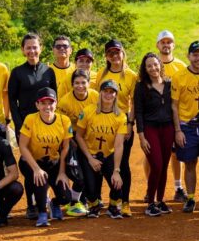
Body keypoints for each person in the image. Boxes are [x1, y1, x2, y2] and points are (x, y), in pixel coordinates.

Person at [9, 33, 57, 218]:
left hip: (46, 127)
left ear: (41, 48)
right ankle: (31, 204)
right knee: (29, 166)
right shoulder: (17, 73)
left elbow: (54, 99)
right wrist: (19, 126)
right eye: (28, 47)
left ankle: (44, 199)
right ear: (23, 50)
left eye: (35, 47)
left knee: (47, 162)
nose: (32, 51)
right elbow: (12, 101)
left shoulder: (48, 71)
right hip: (26, 128)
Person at [92, 39, 138, 216]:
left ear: (122, 53)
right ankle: (98, 200)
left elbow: (134, 103)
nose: (114, 56)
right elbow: (95, 98)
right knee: (102, 161)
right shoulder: (101, 75)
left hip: (122, 122)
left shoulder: (131, 75)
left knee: (123, 164)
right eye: (110, 53)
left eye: (117, 52)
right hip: (102, 123)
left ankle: (124, 202)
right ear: (106, 56)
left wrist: (130, 124)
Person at [18, 88, 74, 227]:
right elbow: (23, 146)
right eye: (43, 103)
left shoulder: (64, 120)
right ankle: (42, 212)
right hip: (31, 161)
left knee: (66, 197)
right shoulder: (31, 119)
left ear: (56, 103)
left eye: (51, 103)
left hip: (53, 162)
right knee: (40, 180)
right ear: (37, 105)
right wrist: (36, 169)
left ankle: (54, 203)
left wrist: (62, 172)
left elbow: (65, 147)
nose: (47, 107)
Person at [172, 41, 199, 212]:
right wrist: (178, 130)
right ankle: (190, 198)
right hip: (187, 126)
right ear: (188, 56)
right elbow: (174, 105)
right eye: (195, 54)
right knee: (190, 163)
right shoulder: (179, 76)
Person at [75, 80, 127, 219]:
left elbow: (118, 145)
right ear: (100, 93)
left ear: (116, 95)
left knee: (118, 184)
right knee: (90, 188)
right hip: (89, 154)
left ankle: (113, 206)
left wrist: (116, 171)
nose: (108, 95)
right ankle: (94, 205)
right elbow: (79, 136)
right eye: (105, 91)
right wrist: (90, 158)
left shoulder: (120, 116)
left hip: (108, 154)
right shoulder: (88, 111)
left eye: (112, 92)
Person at [134, 53, 175, 217]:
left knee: (164, 166)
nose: (153, 68)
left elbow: (174, 108)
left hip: (168, 128)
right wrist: (141, 136)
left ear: (160, 65)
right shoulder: (141, 87)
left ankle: (160, 200)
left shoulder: (169, 84)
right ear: (145, 69)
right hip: (150, 129)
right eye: (149, 66)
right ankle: (150, 202)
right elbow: (138, 112)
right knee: (156, 165)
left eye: (155, 64)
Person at [57, 69, 97, 217]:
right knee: (76, 172)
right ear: (72, 84)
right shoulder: (65, 102)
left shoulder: (95, 96)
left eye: (83, 82)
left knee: (88, 170)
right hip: (70, 137)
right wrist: (70, 140)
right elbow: (60, 125)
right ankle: (71, 201)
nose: (80, 86)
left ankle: (84, 199)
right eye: (76, 83)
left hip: (89, 136)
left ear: (89, 83)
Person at [156, 30, 188, 202]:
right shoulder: (152, 64)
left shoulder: (181, 66)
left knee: (176, 153)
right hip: (155, 116)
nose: (166, 45)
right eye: (163, 42)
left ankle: (178, 187)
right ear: (158, 45)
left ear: (173, 45)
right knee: (153, 154)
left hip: (175, 115)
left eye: (169, 42)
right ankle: (152, 187)